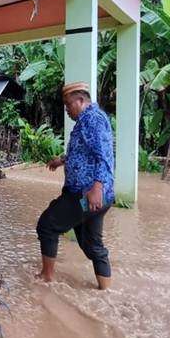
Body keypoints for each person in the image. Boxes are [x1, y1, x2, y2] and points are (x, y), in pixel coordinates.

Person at [36, 81, 115, 290]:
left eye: (68, 105)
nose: (66, 110)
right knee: (92, 245)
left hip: (86, 194)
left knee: (47, 225)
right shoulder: (85, 120)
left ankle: (46, 277)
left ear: (81, 100)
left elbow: (104, 155)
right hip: (96, 195)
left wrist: (97, 187)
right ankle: (106, 292)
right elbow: (83, 151)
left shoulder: (93, 119)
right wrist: (62, 160)